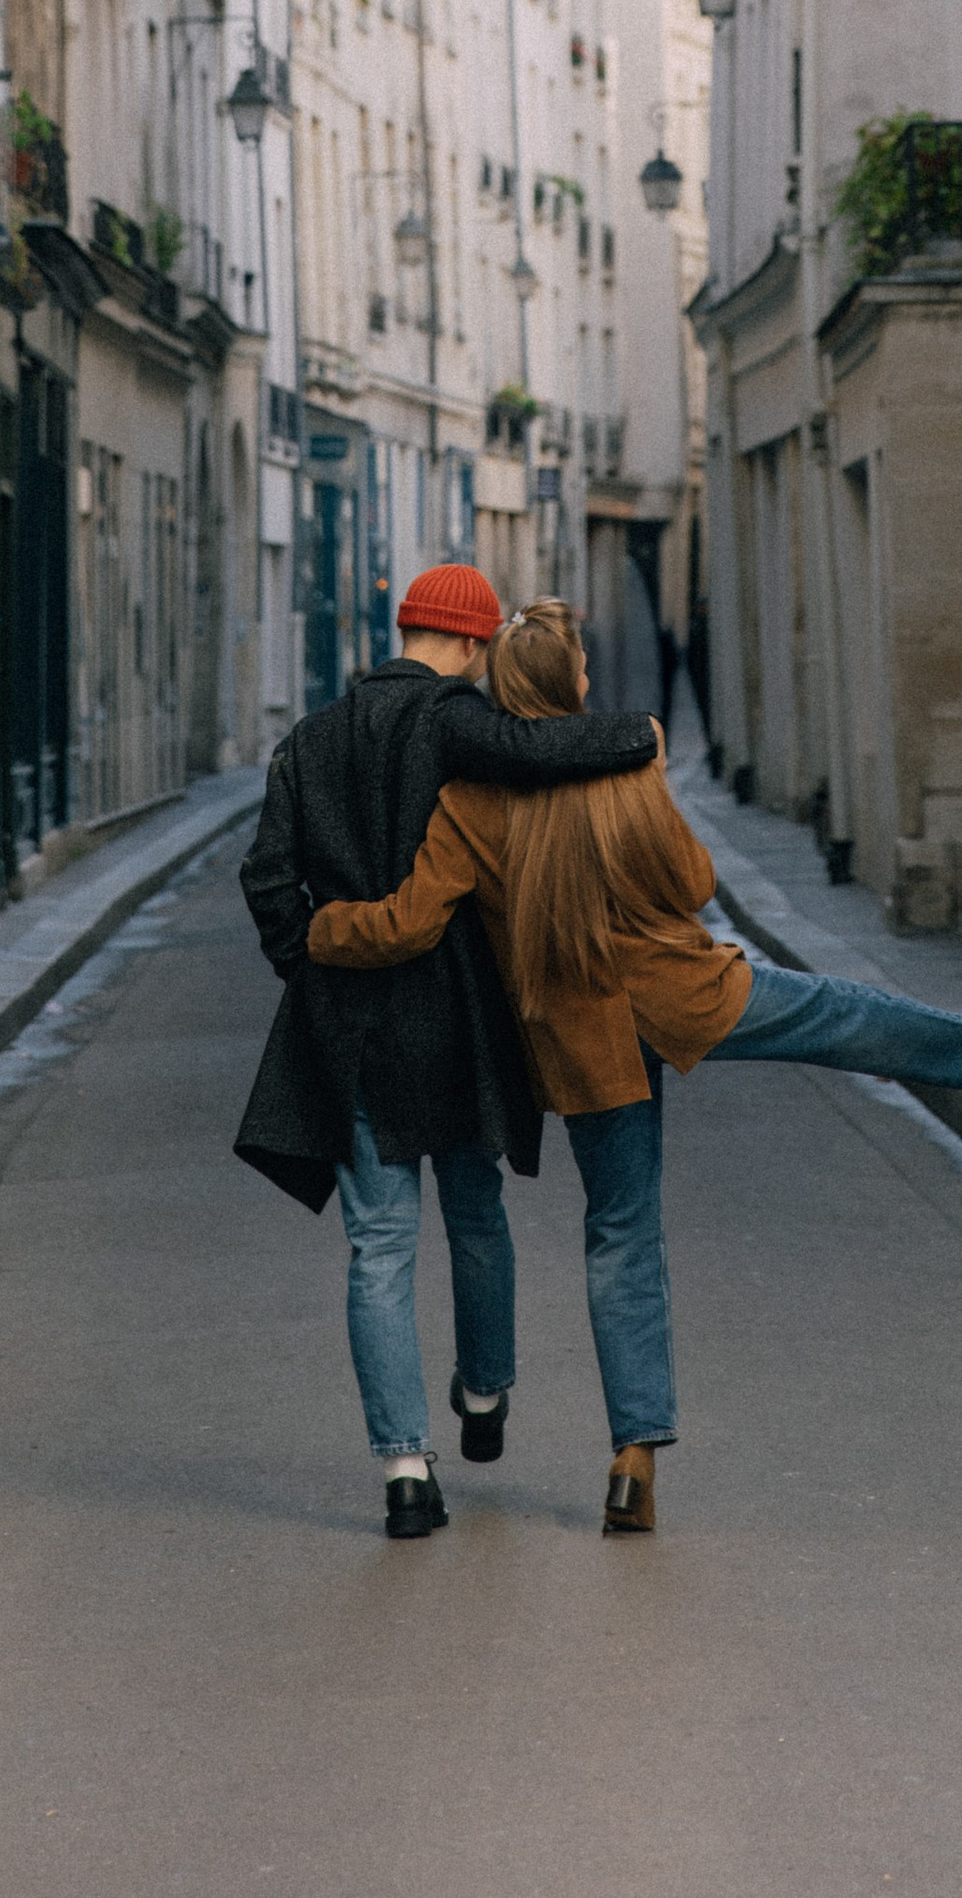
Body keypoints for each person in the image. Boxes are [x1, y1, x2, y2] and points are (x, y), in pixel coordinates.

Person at [307, 600, 962, 1539]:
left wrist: (326, 929)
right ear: (568, 683)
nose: (591, 677)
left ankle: (637, 1462)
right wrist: (650, 787)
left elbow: (412, 922)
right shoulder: (622, 772)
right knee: (836, 1013)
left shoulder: (470, 804)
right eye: (583, 666)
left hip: (582, 1041)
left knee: (620, 1232)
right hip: (682, 993)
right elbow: (695, 884)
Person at [235, 562, 658, 1540]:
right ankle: (483, 1391)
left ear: (405, 629)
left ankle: (403, 1471)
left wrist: (312, 962)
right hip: (456, 1022)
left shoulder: (308, 739)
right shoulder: (455, 721)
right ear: (470, 643)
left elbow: (266, 880)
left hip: (349, 1028)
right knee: (475, 1212)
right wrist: (642, 734)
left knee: (379, 1245)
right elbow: (542, 746)